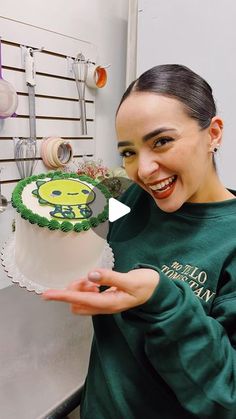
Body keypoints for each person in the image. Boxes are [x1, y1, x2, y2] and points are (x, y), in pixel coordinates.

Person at [42, 64, 236, 418]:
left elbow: (227, 397)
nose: (143, 170)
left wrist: (163, 301)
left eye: (162, 141)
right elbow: (93, 232)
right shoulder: (132, 201)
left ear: (214, 134)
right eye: (129, 152)